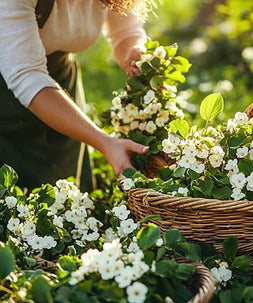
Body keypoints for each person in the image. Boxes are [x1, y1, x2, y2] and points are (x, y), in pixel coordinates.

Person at [0, 0, 152, 191]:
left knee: (69, 196)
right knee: (13, 199)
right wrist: (104, 142)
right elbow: (27, 76)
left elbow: (125, 32)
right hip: (9, 93)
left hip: (60, 88)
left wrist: (135, 53)